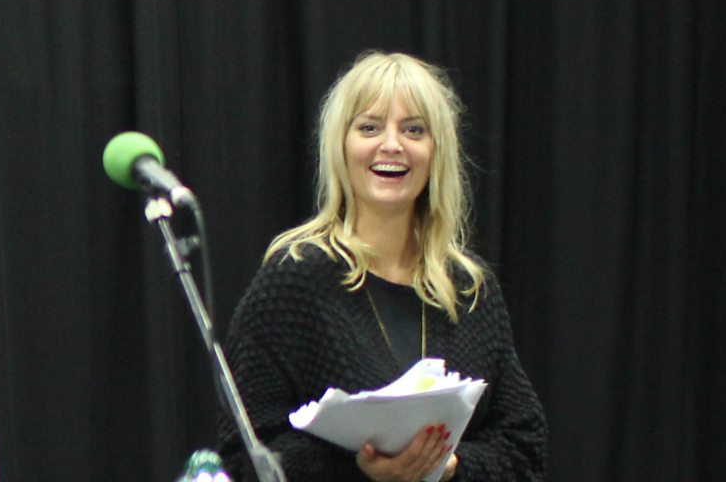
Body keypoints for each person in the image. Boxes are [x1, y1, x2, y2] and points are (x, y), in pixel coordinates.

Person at [218, 51, 547, 481]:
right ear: (341, 146)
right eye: (369, 127)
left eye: (414, 129)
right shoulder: (293, 283)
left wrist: (448, 466)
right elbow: (243, 458)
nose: (392, 145)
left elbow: (525, 449)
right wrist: (358, 468)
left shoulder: (469, 290)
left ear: (437, 151)